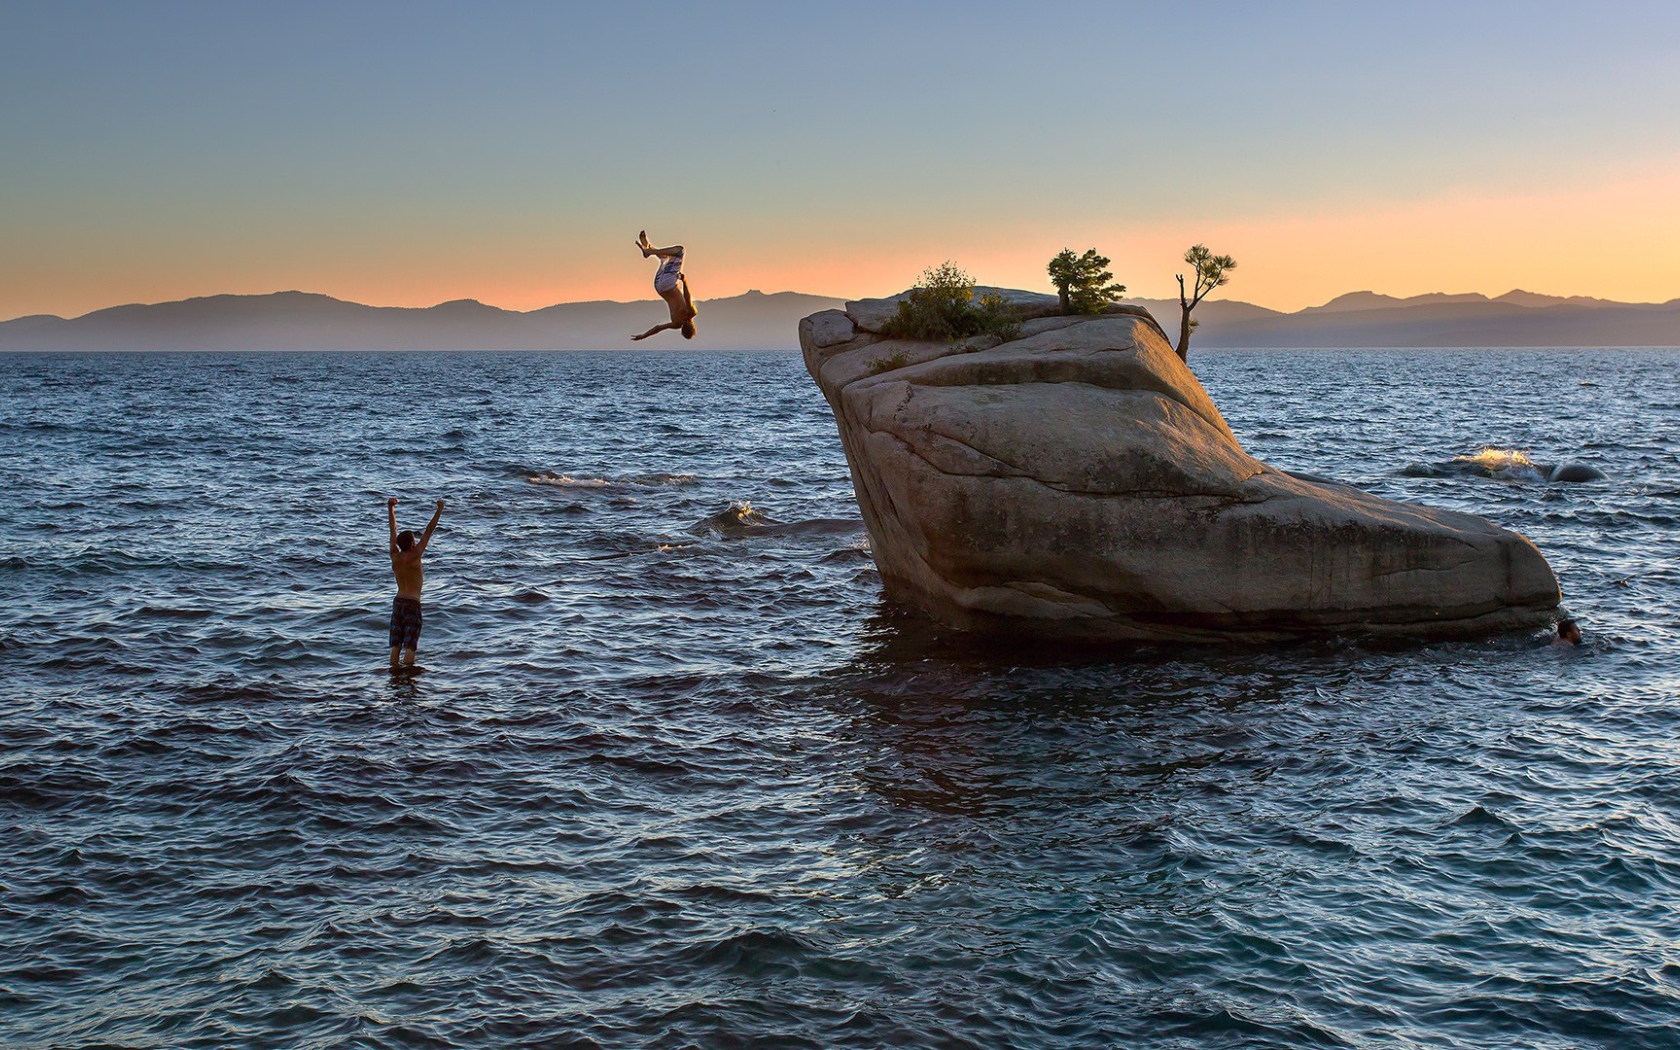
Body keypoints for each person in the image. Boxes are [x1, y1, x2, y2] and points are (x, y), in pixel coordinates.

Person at [388, 496, 443, 669]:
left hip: (398, 602)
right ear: (412, 544)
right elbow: (429, 530)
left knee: (396, 644)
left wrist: (390, 508)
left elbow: (393, 530)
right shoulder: (415, 554)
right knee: (410, 645)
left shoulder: (394, 556)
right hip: (412, 603)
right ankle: (408, 676)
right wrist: (439, 509)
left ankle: (394, 674)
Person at [632, 230, 698, 341]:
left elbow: (687, 297)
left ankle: (649, 251)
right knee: (667, 258)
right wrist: (643, 336)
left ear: (693, 326)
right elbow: (658, 328)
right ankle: (649, 248)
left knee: (680, 251)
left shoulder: (691, 313)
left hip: (668, 284)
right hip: (659, 286)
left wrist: (685, 282)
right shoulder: (676, 324)